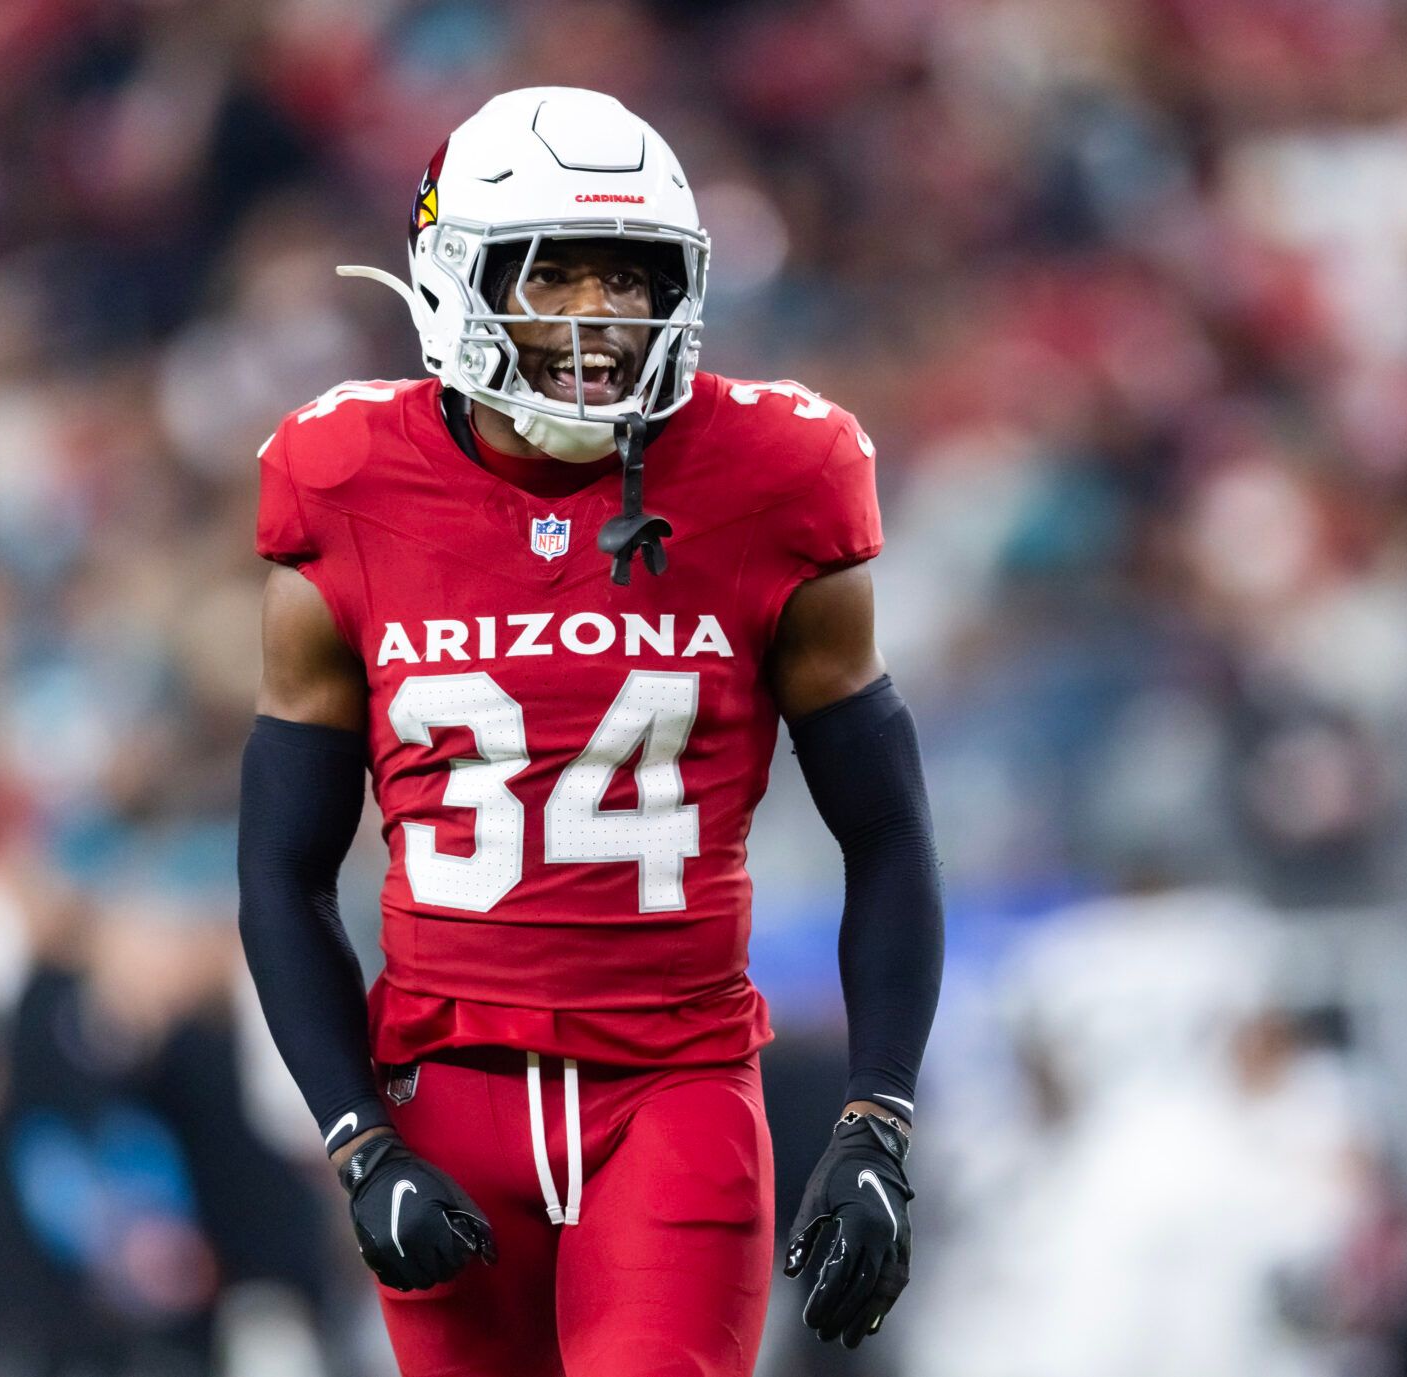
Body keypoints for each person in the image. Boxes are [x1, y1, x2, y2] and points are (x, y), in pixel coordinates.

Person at [236, 86, 943, 1376]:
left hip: (671, 1091)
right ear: (455, 276)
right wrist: (356, 1139)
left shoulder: (779, 475)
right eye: (550, 273)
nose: (595, 320)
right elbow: (281, 871)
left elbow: (889, 833)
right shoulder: (342, 480)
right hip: (441, 1097)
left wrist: (879, 1121)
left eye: (628, 277)